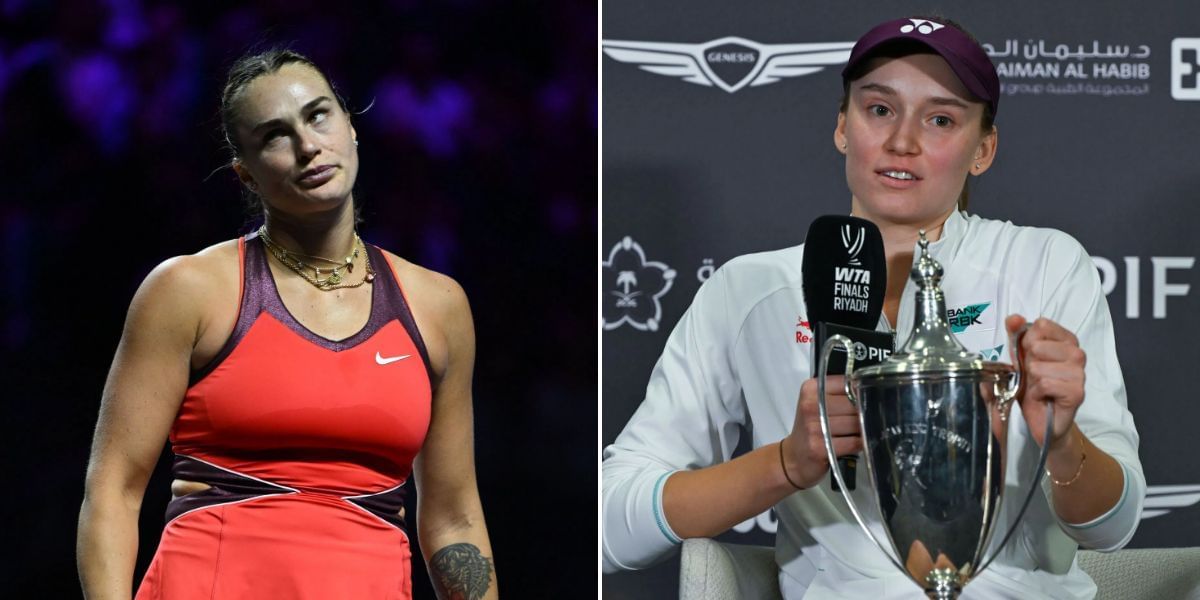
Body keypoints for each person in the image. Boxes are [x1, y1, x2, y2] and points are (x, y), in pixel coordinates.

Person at [602, 16, 1144, 599]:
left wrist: (1062, 443)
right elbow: (610, 530)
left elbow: (1112, 527)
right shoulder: (751, 288)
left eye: (940, 119)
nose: (902, 141)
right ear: (843, 126)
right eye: (880, 109)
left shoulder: (1044, 264)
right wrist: (785, 464)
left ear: (983, 149)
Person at [77, 48, 497, 600]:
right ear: (245, 173)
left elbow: (454, 519)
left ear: (351, 126)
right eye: (275, 135)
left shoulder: (438, 306)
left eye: (318, 115)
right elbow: (113, 492)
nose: (307, 146)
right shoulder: (187, 289)